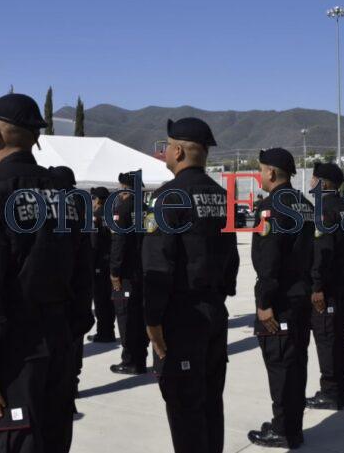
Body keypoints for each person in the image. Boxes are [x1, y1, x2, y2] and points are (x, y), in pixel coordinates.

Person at [0, 93, 90, 453]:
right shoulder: (64, 193)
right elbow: (83, 269)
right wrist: (73, 333)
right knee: (53, 440)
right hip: (60, 343)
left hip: (14, 352)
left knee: (16, 442)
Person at [142, 118, 239, 453]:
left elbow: (158, 264)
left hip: (182, 318)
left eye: (167, 145)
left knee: (185, 408)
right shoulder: (221, 195)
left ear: (179, 150)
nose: (166, 151)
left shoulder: (169, 197)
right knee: (211, 402)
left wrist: (152, 320)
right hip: (214, 310)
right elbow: (232, 259)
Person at [248, 148, 313, 450]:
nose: (260, 175)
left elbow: (269, 261)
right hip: (300, 297)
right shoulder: (304, 204)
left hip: (281, 301)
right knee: (296, 364)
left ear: (271, 173)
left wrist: (264, 303)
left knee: (281, 366)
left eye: (261, 170)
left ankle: (284, 430)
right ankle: (290, 425)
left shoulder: (271, 207)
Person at [305, 162, 344, 410]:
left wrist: (316, 287)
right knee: (339, 337)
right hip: (343, 281)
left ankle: (331, 392)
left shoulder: (324, 210)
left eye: (314, 179)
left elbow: (322, 252)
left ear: (324, 184)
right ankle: (340, 389)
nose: (311, 182)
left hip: (328, 287)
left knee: (327, 339)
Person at [48, 165, 94, 413]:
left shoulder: (57, 210)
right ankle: (71, 388)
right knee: (73, 350)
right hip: (75, 296)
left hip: (57, 297)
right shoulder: (79, 208)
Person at [109, 170, 149, 375]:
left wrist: (114, 271)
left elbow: (119, 242)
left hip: (127, 273)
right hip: (144, 271)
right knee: (141, 316)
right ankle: (140, 357)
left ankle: (130, 360)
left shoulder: (122, 209)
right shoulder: (145, 208)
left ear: (124, 189)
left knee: (125, 316)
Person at [86, 186, 116, 343]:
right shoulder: (111, 214)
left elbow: (94, 243)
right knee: (108, 300)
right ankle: (108, 330)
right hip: (110, 261)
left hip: (99, 263)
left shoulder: (95, 216)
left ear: (97, 199)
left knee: (100, 300)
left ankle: (104, 332)